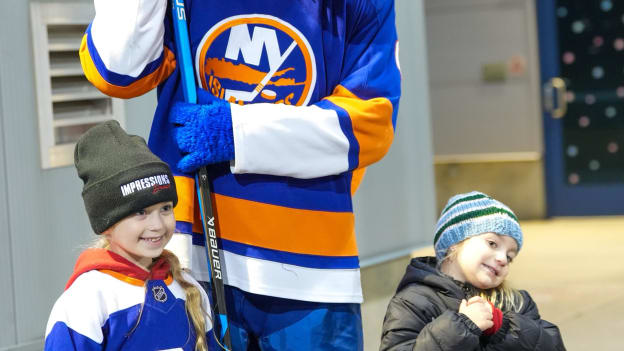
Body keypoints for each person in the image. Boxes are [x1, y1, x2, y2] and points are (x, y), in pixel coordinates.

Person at [80, 0, 401, 349]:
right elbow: (116, 71)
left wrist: (237, 133)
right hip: (189, 264)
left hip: (310, 271)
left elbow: (372, 123)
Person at [44, 120, 214, 350]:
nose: (157, 225)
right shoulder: (86, 301)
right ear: (107, 224)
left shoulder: (188, 288)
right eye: (140, 212)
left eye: (165, 208)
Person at [379, 191, 566, 351]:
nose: (502, 259)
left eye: (510, 256)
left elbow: (551, 343)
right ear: (454, 245)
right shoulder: (413, 301)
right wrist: (462, 326)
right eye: (492, 243)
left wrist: (504, 327)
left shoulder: (516, 302)